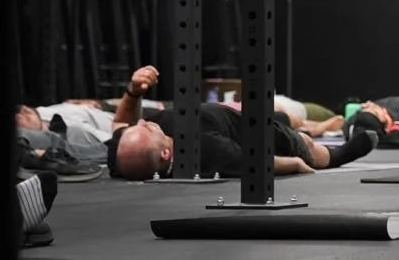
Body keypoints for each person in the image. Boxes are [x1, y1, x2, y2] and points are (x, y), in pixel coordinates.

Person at [106, 66, 377, 179]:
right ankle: (339, 152)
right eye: (143, 129)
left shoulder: (125, 153)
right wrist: (295, 165)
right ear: (166, 153)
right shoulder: (209, 150)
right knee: (304, 144)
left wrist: (134, 91)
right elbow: (254, 163)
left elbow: (120, 124)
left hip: (232, 115)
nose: (142, 124)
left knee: (290, 119)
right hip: (251, 133)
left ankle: (318, 129)